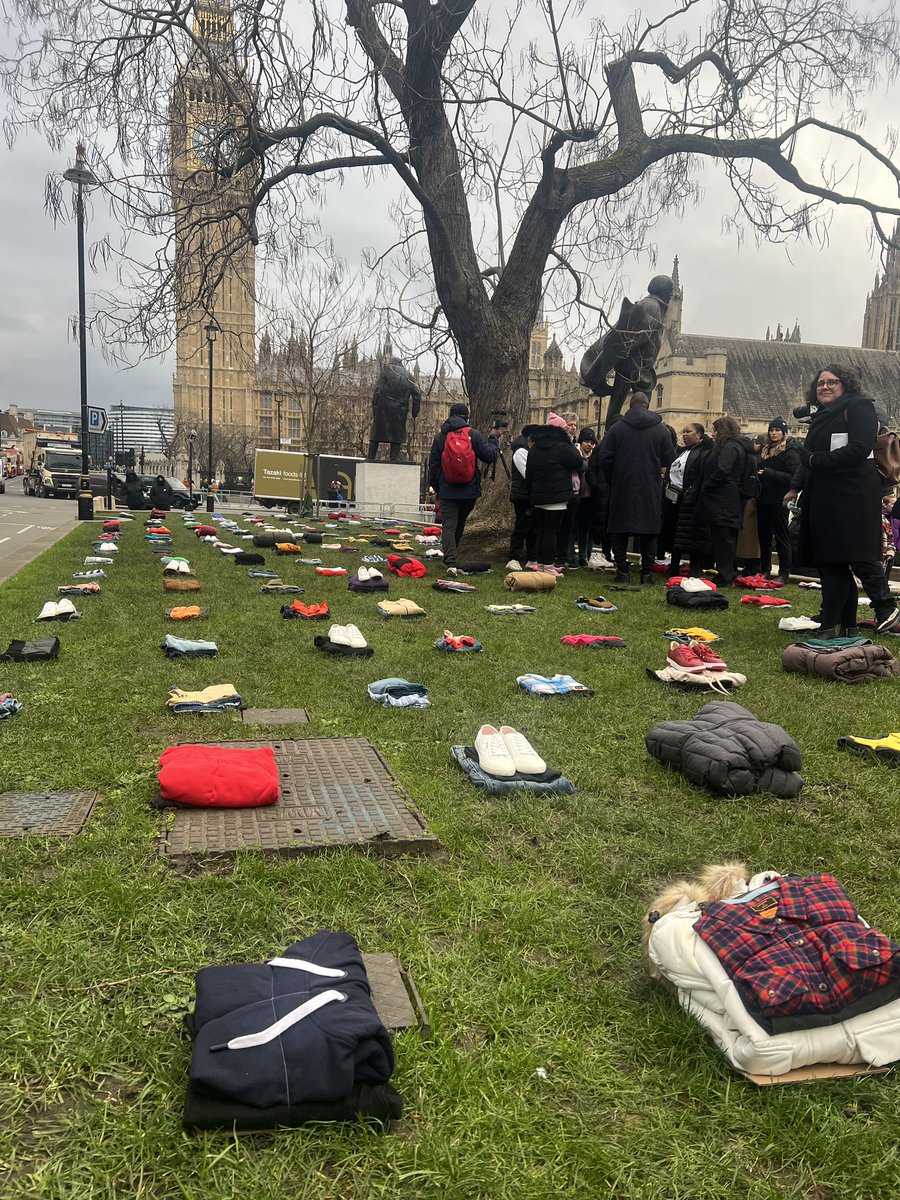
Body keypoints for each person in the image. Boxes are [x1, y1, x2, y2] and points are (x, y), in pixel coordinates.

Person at [785, 364, 899, 637]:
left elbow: (860, 448)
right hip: (825, 492)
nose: (824, 387)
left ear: (845, 384)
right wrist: (801, 476)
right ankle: (844, 624)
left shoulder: (859, 406)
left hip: (851, 494)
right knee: (831, 560)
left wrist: (815, 459)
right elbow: (810, 456)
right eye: (820, 383)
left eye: (832, 382)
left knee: (847, 555)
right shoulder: (822, 416)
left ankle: (877, 611)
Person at [595, 391, 674, 584]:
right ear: (647, 405)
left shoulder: (617, 429)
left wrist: (615, 475)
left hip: (623, 483)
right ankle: (646, 574)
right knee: (650, 530)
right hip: (650, 484)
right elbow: (668, 458)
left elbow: (604, 457)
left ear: (630, 405)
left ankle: (622, 572)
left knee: (619, 529)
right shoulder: (661, 430)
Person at [427, 402, 500, 573]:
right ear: (466, 417)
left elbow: (434, 466)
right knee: (460, 523)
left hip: (447, 490)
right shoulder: (473, 435)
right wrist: (494, 439)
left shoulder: (440, 437)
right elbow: (489, 456)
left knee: (449, 525)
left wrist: (439, 487)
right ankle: (453, 555)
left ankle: (450, 558)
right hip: (469, 490)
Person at [690, 416, 751, 587]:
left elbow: (723, 469)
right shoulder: (737, 446)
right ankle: (728, 572)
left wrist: (708, 485)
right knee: (726, 538)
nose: (713, 434)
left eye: (715, 430)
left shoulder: (729, 447)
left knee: (723, 538)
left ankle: (725, 575)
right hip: (729, 498)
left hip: (723, 498)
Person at [523, 413, 583, 575]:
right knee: (551, 532)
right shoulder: (562, 447)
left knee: (542, 531)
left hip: (539, 496)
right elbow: (578, 462)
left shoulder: (535, 448)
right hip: (556, 496)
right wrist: (569, 443)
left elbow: (529, 474)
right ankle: (548, 566)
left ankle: (542, 564)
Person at [756, 417, 800, 582]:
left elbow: (793, 477)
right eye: (771, 430)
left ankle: (784, 572)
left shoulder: (789, 451)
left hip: (779, 499)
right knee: (764, 536)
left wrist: (768, 473)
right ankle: (765, 569)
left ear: (784, 433)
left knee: (781, 536)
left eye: (777, 430)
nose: (774, 433)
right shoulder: (766, 450)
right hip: (764, 498)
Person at [664, 423, 711, 577]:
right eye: (683, 432)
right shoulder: (681, 452)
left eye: (688, 432)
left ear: (699, 435)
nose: (685, 435)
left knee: (693, 535)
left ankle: (695, 568)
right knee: (676, 534)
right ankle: (674, 565)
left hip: (691, 499)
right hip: (675, 498)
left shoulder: (703, 452)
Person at [368, 357, 422, 462]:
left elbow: (378, 389)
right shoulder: (409, 375)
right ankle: (393, 458)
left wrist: (375, 404)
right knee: (397, 435)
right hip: (400, 409)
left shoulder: (386, 370)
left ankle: (370, 456)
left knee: (376, 433)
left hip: (384, 406)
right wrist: (415, 412)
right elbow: (417, 394)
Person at [506, 426, 536, 571]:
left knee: (532, 528)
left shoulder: (527, 450)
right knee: (521, 526)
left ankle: (531, 557)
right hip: (522, 495)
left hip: (529, 494)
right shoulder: (521, 451)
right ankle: (513, 557)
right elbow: (528, 474)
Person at [567, 429, 598, 567]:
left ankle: (584, 556)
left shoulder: (595, 456)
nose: (589, 445)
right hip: (575, 495)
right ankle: (570, 556)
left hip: (589, 498)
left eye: (592, 442)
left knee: (585, 529)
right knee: (572, 528)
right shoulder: (575, 453)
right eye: (586, 441)